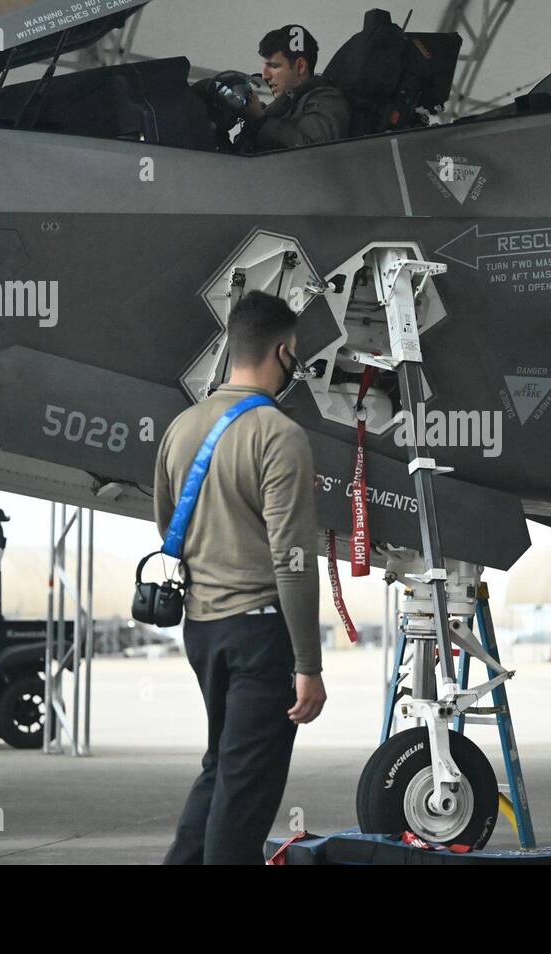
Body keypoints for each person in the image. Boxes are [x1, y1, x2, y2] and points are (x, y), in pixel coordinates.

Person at [154, 290, 326, 865]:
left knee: (223, 768)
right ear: (283, 353)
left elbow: (167, 527)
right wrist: (308, 666)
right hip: (260, 636)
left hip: (203, 630)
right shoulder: (279, 435)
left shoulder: (181, 428)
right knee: (246, 795)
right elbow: (293, 558)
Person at [199, 24, 350, 153]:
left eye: (274, 66)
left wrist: (259, 119)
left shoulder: (327, 100)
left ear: (300, 66)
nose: (265, 75)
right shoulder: (286, 103)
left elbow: (313, 154)